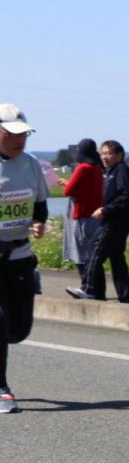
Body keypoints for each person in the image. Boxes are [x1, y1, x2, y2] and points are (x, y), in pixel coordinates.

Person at [0, 104, 48, 414]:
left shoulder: (31, 164)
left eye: (24, 135)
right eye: (13, 134)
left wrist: (39, 222)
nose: (20, 140)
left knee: (18, 330)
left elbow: (40, 204)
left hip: (19, 255)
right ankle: (1, 388)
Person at [67, 139, 129, 302]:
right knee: (116, 257)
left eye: (109, 153)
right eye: (102, 153)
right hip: (119, 220)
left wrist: (105, 209)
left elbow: (126, 195)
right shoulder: (113, 171)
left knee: (94, 250)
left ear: (119, 155)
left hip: (116, 220)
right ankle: (125, 296)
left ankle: (88, 288)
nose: (104, 157)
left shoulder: (121, 171)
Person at [57, 138, 104, 289]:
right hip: (95, 217)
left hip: (82, 215)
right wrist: (69, 183)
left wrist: (65, 183)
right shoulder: (97, 168)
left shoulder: (82, 168)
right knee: (91, 254)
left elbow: (68, 191)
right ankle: (96, 289)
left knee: (80, 254)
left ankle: (86, 286)